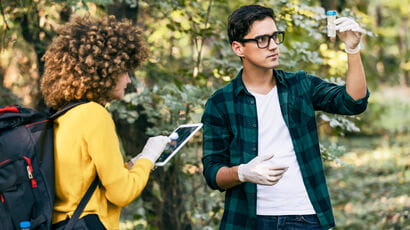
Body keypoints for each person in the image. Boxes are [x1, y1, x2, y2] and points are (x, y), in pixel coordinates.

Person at [201, 4, 369, 230]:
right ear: (238, 48)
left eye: (274, 37)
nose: (272, 46)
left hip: (306, 216)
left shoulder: (300, 86)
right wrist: (242, 172)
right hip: (248, 220)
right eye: (261, 40)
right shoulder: (221, 102)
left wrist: (352, 49)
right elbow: (213, 172)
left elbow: (353, 102)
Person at [40, 15, 170, 229]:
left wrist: (134, 165)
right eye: (125, 71)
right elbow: (122, 193)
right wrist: (149, 156)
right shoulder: (94, 114)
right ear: (103, 70)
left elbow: (89, 181)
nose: (128, 80)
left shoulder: (63, 115)